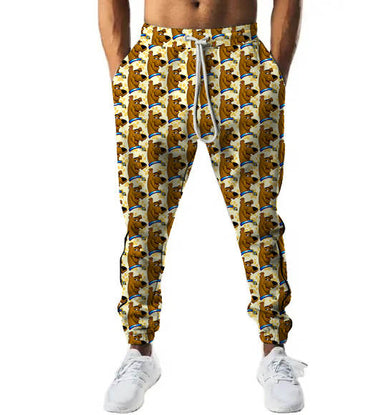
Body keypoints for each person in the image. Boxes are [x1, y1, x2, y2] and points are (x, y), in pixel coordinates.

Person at [98, 0, 306, 412]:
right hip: (156, 60)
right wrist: (123, 74)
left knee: (258, 217)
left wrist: (273, 74)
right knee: (144, 218)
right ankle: (139, 353)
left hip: (240, 56)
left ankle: (274, 352)